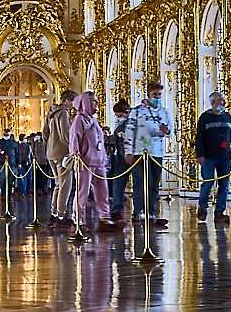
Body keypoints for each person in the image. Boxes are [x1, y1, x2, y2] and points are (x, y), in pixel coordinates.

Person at [119, 83, 173, 227]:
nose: (157, 97)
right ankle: (139, 212)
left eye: (159, 94)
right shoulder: (137, 111)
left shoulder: (164, 112)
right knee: (142, 183)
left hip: (157, 151)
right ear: (149, 94)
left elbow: (170, 130)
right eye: (155, 94)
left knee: (154, 184)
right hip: (140, 152)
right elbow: (129, 131)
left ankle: (150, 213)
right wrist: (129, 151)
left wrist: (166, 131)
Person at [192, 90, 231, 223]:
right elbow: (199, 138)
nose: (224, 103)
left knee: (224, 185)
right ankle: (202, 206)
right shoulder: (205, 117)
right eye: (221, 101)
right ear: (213, 102)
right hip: (209, 157)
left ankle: (220, 213)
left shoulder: (227, 116)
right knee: (208, 183)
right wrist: (199, 155)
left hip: (225, 157)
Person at [68, 91, 109, 228]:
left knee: (103, 192)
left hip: (98, 162)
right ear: (85, 103)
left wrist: (103, 158)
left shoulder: (94, 120)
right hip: (84, 162)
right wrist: (76, 156)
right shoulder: (79, 120)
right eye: (94, 101)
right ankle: (78, 220)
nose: (96, 104)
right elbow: (74, 139)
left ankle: (105, 217)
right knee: (82, 193)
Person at [43, 90, 79, 226]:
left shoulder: (51, 112)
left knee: (58, 184)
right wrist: (73, 148)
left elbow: (44, 132)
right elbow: (66, 133)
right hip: (62, 152)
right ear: (68, 100)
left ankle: (54, 212)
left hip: (51, 152)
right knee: (65, 185)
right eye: (73, 102)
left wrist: (49, 146)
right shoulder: (63, 112)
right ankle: (61, 215)